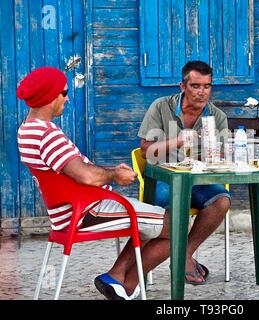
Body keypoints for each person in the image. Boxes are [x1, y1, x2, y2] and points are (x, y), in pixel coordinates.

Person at [16, 66, 171, 300]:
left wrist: (109, 174)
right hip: (86, 210)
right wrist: (115, 175)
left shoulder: (26, 130)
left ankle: (116, 275)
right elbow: (86, 176)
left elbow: (73, 172)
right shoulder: (47, 135)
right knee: (177, 225)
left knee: (151, 218)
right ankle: (127, 284)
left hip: (69, 211)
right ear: (49, 96)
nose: (67, 98)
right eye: (64, 92)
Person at [138, 60, 231, 285]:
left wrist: (216, 157)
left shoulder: (217, 117)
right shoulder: (161, 107)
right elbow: (146, 151)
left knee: (222, 201)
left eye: (206, 86)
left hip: (198, 179)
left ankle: (185, 255)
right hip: (164, 178)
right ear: (183, 86)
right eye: (195, 86)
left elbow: (220, 157)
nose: (201, 92)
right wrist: (178, 141)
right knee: (175, 206)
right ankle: (136, 272)